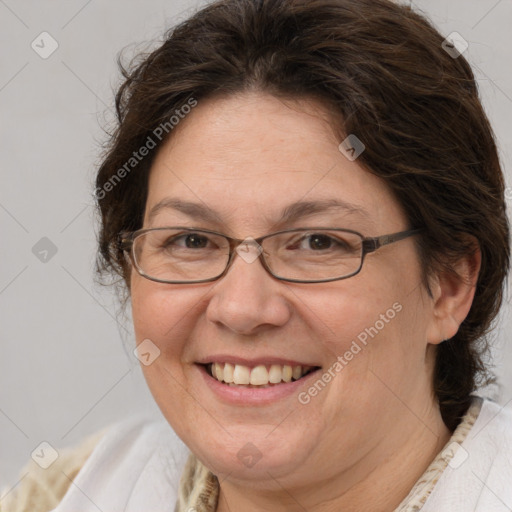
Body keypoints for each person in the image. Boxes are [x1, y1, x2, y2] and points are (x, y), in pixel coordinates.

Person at [2, 0, 512, 510]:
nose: (242, 309)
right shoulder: (59, 494)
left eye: (318, 242)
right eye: (191, 241)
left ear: (448, 285)